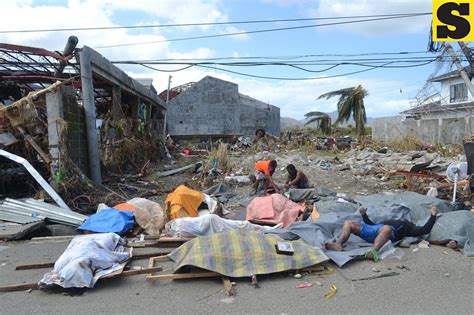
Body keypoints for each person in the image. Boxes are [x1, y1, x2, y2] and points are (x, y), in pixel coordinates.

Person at [325, 205, 438, 261]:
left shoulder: (411, 227)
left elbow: (425, 230)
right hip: (376, 229)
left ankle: (373, 252)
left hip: (388, 234)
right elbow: (371, 224)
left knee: (386, 228)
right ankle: (338, 244)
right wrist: (364, 215)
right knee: (348, 223)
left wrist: (433, 215)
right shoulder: (385, 221)